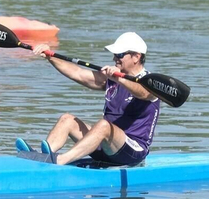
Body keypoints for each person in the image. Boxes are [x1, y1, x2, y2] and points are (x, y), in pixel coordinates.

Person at [25, 32, 160, 167]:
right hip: (106, 146)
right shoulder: (111, 79)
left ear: (136, 57)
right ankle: (43, 159)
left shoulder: (151, 83)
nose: (114, 58)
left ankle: (60, 160)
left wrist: (119, 78)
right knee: (67, 120)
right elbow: (77, 73)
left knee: (103, 126)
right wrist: (50, 56)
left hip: (133, 151)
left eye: (119, 55)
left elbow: (143, 93)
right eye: (114, 54)